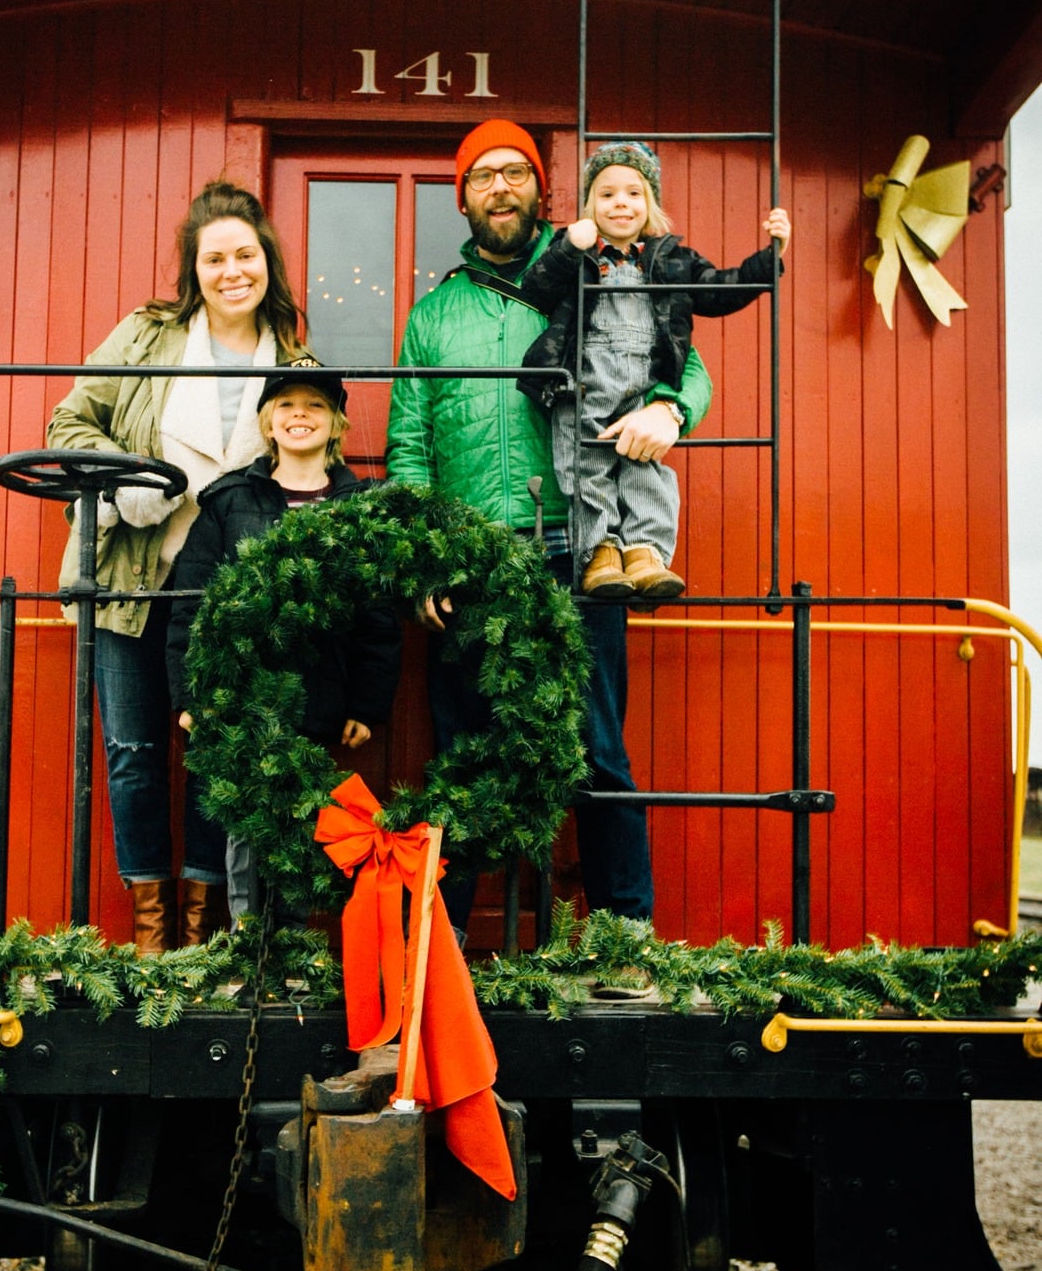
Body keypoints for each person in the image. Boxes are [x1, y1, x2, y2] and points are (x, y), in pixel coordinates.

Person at [385, 118, 712, 928]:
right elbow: (409, 445)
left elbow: (686, 361)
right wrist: (426, 557)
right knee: (462, 756)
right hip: (472, 561)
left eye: (515, 172)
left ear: (541, 188)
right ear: (461, 197)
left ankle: (623, 939)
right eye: (482, 176)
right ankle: (445, 950)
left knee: (596, 751)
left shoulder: (596, 272)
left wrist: (671, 410)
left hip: (583, 547)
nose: (500, 188)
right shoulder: (431, 319)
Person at [46, 180, 305, 952]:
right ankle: (153, 933)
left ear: (268, 263)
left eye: (245, 255)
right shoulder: (146, 336)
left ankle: (200, 932)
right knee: (132, 755)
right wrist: (120, 479)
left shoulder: (294, 357)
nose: (232, 271)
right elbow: (69, 420)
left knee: (214, 757)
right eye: (214, 257)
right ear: (193, 270)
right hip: (132, 577)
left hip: (228, 600)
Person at [167, 360, 403, 923]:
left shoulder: (361, 508)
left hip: (320, 698)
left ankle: (293, 944)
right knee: (247, 825)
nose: (301, 415)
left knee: (306, 820)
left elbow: (378, 615)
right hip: (243, 702)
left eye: (316, 405)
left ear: (337, 424)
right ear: (268, 423)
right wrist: (188, 696)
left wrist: (367, 703)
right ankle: (249, 940)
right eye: (287, 405)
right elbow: (190, 605)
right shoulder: (229, 504)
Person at [517, 140, 789, 598]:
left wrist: (770, 256)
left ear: (650, 205)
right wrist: (568, 246)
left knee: (644, 467)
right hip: (581, 385)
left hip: (642, 385)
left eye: (632, 193)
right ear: (590, 206)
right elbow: (536, 290)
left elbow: (719, 290)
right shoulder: (578, 257)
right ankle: (600, 552)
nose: (620, 202)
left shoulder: (670, 260)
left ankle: (645, 551)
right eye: (606, 194)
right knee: (585, 467)